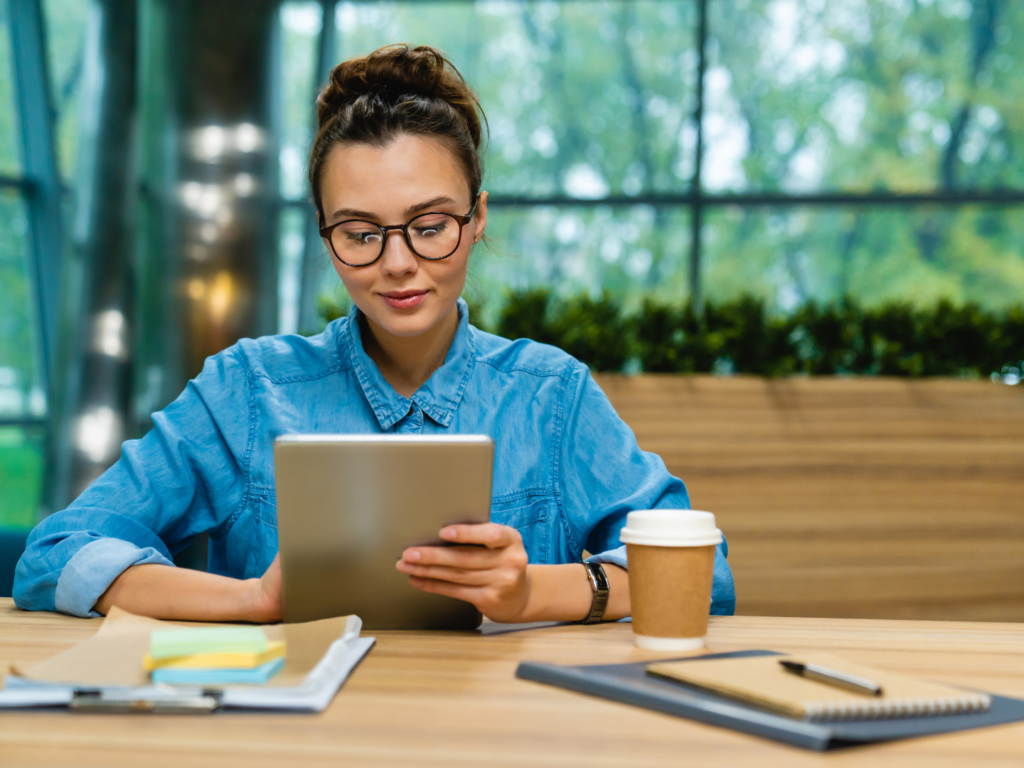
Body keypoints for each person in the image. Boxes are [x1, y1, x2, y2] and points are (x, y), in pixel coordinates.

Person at [14, 44, 735, 623]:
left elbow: (704, 573)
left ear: (477, 217)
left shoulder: (552, 395)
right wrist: (252, 600)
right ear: (327, 237)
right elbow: (55, 553)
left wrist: (532, 593)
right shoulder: (246, 389)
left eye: (430, 227)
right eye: (360, 233)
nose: (397, 265)